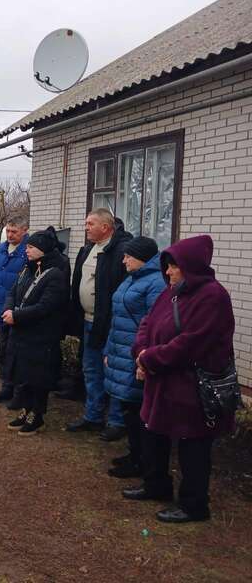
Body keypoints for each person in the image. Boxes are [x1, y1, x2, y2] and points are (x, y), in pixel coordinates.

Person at [121, 236, 235, 524]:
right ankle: (156, 484)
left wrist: (149, 359)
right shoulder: (172, 292)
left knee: (192, 443)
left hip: (193, 386)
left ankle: (194, 504)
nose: (168, 273)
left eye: (174, 267)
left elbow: (191, 343)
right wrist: (141, 351)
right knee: (153, 431)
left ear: (191, 266)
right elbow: (148, 322)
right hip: (163, 380)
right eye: (167, 267)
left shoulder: (213, 296)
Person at [66, 209, 133, 439]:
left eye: (90, 223)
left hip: (112, 325)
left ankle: (116, 421)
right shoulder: (87, 250)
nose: (86, 227)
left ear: (105, 227)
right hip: (88, 321)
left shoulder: (121, 251)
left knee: (113, 372)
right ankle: (93, 416)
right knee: (91, 369)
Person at [103, 237, 166, 478]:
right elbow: (116, 317)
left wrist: (145, 358)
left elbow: (156, 324)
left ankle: (143, 460)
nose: (124, 259)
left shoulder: (156, 283)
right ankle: (134, 453)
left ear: (141, 258)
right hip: (121, 350)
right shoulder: (131, 278)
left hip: (138, 355)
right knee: (129, 407)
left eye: (128, 256)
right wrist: (109, 349)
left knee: (139, 410)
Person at [3, 227, 70, 436]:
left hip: (41, 335)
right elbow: (13, 291)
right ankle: (25, 409)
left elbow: (45, 306)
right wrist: (8, 308)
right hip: (22, 332)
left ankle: (37, 415)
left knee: (38, 376)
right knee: (23, 374)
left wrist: (17, 316)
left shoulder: (55, 275)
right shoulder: (28, 268)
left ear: (43, 249)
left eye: (31, 247)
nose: (27, 250)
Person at [0, 218, 29, 405]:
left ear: (24, 231)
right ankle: (6, 387)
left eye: (14, 232)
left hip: (18, 312)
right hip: (0, 308)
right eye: (8, 231)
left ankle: (19, 392)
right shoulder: (1, 249)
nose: (10, 235)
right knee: (3, 350)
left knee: (17, 353)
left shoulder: (28, 251)